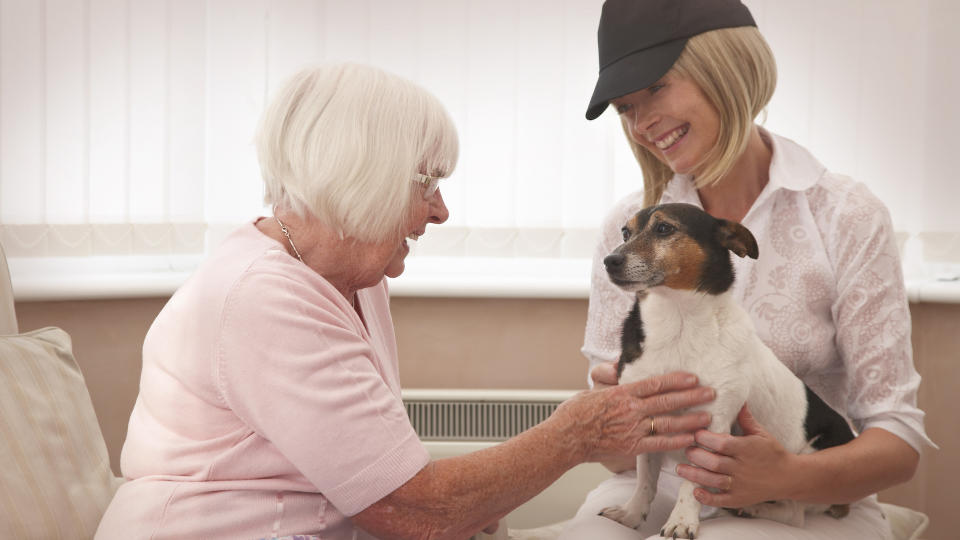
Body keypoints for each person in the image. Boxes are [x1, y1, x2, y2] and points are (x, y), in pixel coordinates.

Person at [94, 63, 717, 540]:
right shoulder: (261, 298)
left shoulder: (354, 278)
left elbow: (388, 484)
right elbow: (414, 508)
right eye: (429, 183)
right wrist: (575, 433)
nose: (441, 211)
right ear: (359, 172)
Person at [558, 1, 935, 539]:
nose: (641, 123)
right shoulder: (627, 226)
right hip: (660, 489)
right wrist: (617, 424)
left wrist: (789, 475)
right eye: (625, 107)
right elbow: (617, 457)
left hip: (804, 494)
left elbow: (897, 445)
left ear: (726, 67)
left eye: (657, 88)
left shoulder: (845, 216)